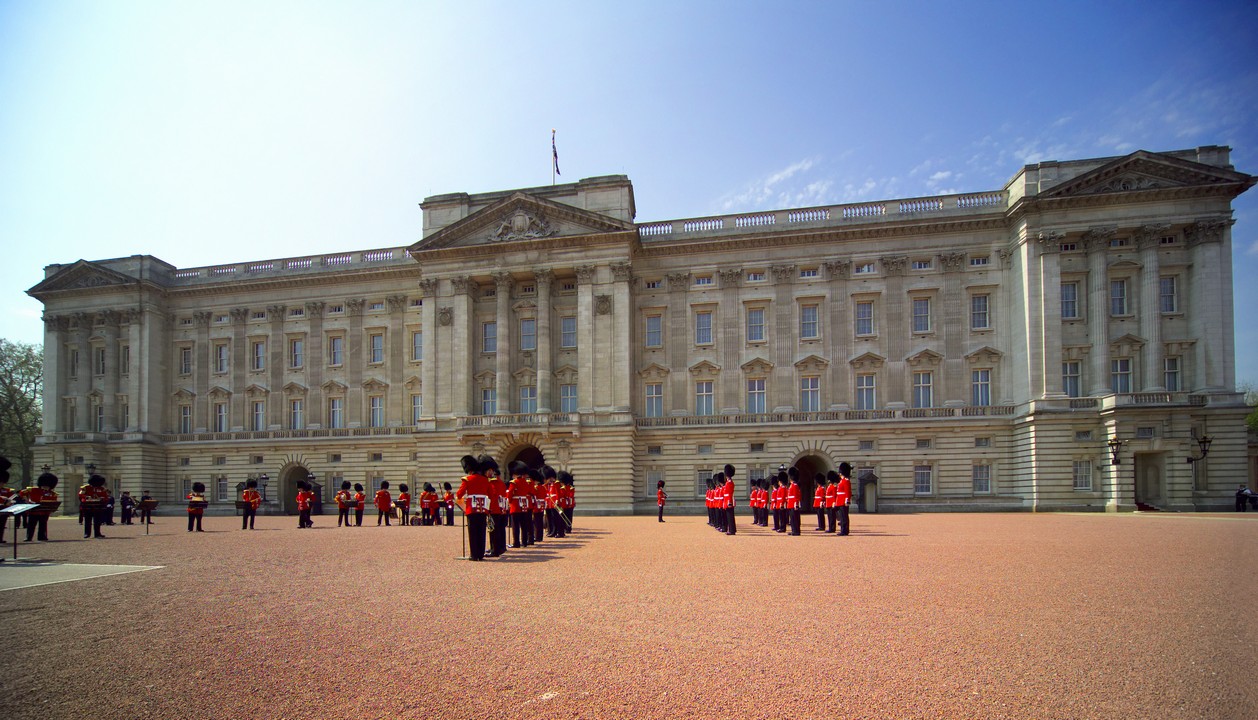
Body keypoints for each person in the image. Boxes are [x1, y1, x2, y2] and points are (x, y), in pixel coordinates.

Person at [455, 455, 490, 561]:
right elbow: (491, 494)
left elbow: (459, 494)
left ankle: (474, 555)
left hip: (472, 508)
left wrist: (464, 499)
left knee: (473, 532)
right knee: (481, 531)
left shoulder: (467, 479)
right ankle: (481, 554)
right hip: (483, 508)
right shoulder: (485, 480)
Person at [21, 470, 60, 542]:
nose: (46, 487)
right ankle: (28, 537)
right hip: (33, 511)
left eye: (47, 486)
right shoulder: (33, 490)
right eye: (44, 485)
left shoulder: (53, 493)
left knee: (43, 525)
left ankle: (42, 536)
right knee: (31, 525)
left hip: (44, 512)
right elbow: (22, 493)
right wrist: (27, 501)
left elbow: (53, 502)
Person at [508, 461, 532, 549]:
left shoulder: (514, 483)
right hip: (524, 505)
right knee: (524, 525)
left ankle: (516, 542)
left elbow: (510, 494)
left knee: (515, 526)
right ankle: (524, 541)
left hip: (515, 505)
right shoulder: (526, 483)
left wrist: (509, 502)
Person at [79, 473, 110, 539]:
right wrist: (87, 497)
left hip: (98, 507)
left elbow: (106, 497)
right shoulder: (85, 488)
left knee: (97, 521)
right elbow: (81, 496)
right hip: (88, 507)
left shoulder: (102, 489)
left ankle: (97, 533)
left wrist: (102, 499)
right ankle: (87, 533)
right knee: (88, 521)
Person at [835, 462, 853, 536]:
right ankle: (843, 529)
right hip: (840, 500)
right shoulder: (842, 481)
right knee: (842, 516)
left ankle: (845, 530)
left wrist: (847, 500)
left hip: (843, 500)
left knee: (844, 516)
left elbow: (847, 491)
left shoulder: (846, 481)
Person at [785, 467, 802, 536]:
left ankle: (796, 531)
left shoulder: (794, 486)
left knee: (794, 518)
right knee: (792, 518)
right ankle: (794, 530)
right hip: (791, 504)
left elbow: (796, 496)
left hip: (793, 504)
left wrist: (796, 504)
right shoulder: (792, 485)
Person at [722, 464, 737, 536]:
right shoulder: (728, 483)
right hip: (727, 501)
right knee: (729, 517)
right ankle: (731, 529)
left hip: (729, 501)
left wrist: (729, 502)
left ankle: (732, 530)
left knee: (730, 517)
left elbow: (730, 493)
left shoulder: (730, 483)